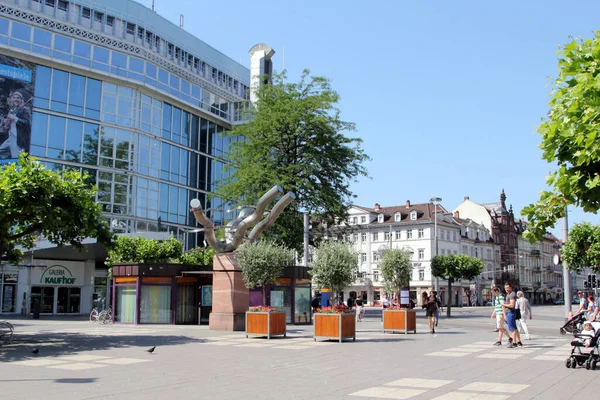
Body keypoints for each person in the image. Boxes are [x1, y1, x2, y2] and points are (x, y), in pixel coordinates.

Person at [0, 91, 31, 159]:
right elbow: (8, 127)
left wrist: (15, 118)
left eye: (18, 98)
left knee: (16, 159)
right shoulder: (13, 111)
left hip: (18, 139)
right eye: (14, 98)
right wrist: (6, 124)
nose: (16, 99)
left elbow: (27, 123)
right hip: (10, 138)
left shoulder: (25, 110)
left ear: (21, 99)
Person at [502, 282, 522, 348]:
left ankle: (514, 343)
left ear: (511, 287)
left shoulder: (512, 295)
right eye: (505, 288)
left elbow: (512, 305)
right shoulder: (509, 294)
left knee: (512, 329)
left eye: (508, 288)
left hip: (510, 312)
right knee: (514, 328)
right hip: (510, 312)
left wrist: (503, 304)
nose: (506, 289)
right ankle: (519, 342)